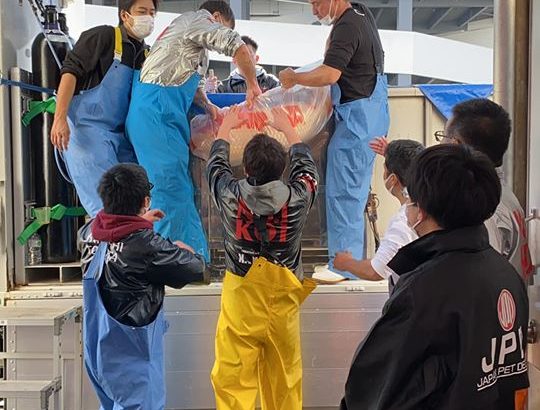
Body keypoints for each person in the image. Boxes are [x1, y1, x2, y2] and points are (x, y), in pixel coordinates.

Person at [341, 144, 529, 410]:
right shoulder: (506, 275)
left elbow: (372, 385)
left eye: (411, 199)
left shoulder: (423, 290)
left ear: (423, 210)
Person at [126, 0, 262, 261]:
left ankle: (191, 259)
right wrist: (252, 84)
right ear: (217, 16)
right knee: (170, 190)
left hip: (160, 115)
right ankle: (175, 263)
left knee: (179, 188)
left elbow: (184, 77)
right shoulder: (199, 21)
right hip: (157, 115)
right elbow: (236, 45)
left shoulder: (183, 35)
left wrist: (208, 105)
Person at [208, 106, 318, 410]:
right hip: (283, 303)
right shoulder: (299, 196)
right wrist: (288, 129)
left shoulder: (228, 194)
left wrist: (226, 128)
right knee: (284, 380)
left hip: (240, 299)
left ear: (245, 169)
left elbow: (215, 167)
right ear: (282, 169)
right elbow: (307, 169)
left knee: (233, 382)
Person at [79, 163, 206, 410]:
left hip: (98, 353)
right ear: (146, 200)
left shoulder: (87, 234)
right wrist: (179, 250)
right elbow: (197, 269)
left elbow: (117, 236)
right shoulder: (147, 246)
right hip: (132, 358)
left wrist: (139, 222)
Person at [279, 0, 389, 279]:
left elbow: (330, 73)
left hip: (357, 122)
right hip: (370, 114)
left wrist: (294, 78)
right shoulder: (362, 11)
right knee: (353, 192)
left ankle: (344, 266)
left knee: (345, 194)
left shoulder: (347, 25)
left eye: (316, 2)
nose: (314, 10)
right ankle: (347, 259)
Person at [51, 0, 158, 217]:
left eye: (152, 13)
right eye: (142, 11)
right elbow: (70, 73)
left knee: (141, 196)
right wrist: (59, 118)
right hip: (87, 132)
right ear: (124, 15)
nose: (148, 17)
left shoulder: (147, 55)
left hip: (121, 136)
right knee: (109, 210)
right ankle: (107, 249)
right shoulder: (103, 37)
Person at [442, 98, 533, 281]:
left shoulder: (485, 209)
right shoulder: (503, 196)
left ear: (456, 144)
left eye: (443, 137)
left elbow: (482, 282)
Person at [332, 139, 423, 288]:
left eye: (385, 169)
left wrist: (346, 263)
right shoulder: (434, 206)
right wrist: (394, 155)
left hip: (414, 302)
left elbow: (376, 271)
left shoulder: (404, 221)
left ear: (392, 179)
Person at [208, 35, 280, 93]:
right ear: (234, 59)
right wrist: (209, 91)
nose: (245, 58)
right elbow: (211, 106)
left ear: (257, 59)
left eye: (249, 54)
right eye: (241, 55)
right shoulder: (224, 87)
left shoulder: (271, 82)